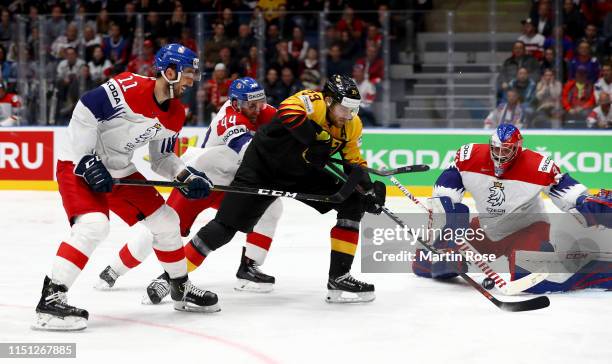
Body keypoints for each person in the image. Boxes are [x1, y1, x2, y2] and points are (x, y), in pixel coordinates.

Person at [33, 43, 219, 332]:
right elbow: (85, 107)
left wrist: (185, 176)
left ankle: (180, 288)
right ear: (169, 72)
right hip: (77, 164)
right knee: (94, 226)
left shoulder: (176, 114)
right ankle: (50, 301)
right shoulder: (128, 86)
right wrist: (85, 158)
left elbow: (162, 159)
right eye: (188, 74)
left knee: (167, 221)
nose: (193, 80)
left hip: (120, 169)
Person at [172, 75, 386, 303]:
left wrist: (369, 190)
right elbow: (287, 112)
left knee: (352, 202)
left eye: (353, 109)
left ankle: (339, 278)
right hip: (262, 167)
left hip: (299, 172)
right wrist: (314, 140)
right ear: (329, 100)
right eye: (344, 108)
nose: (348, 115)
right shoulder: (311, 100)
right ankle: (172, 278)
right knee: (225, 227)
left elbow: (352, 161)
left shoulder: (352, 125)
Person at [95, 77, 282, 300]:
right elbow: (250, 154)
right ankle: (114, 269)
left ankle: (248, 268)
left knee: (271, 207)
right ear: (234, 103)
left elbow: (290, 124)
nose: (257, 109)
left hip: (231, 186)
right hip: (199, 183)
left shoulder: (261, 110)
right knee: (162, 228)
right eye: (251, 105)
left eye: (260, 102)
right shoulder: (229, 120)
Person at [413, 124, 611, 292]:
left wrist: (584, 201)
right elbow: (448, 184)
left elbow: (565, 189)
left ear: (518, 147)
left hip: (528, 228)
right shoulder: (469, 156)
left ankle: (593, 269)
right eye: (496, 149)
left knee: (529, 280)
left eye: (506, 149)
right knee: (432, 265)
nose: (499, 155)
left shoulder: (538, 165)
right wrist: (446, 205)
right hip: (487, 228)